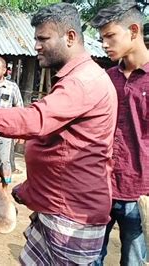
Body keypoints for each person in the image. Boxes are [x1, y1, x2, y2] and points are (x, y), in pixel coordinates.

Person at [0, 3, 117, 264]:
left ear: (70, 37)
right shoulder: (74, 80)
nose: (36, 45)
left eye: (43, 38)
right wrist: (29, 189)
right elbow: (59, 149)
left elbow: (35, 120)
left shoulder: (84, 82)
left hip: (71, 220)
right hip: (54, 211)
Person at [90, 3, 149, 265]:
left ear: (133, 31)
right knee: (90, 257)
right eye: (102, 38)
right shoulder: (105, 78)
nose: (104, 44)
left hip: (141, 193)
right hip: (100, 186)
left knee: (134, 261)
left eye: (110, 36)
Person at [0, 56, 23, 188]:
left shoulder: (11, 87)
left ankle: (4, 189)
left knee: (4, 161)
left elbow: (19, 109)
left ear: (4, 70)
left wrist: (20, 133)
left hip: (4, 132)